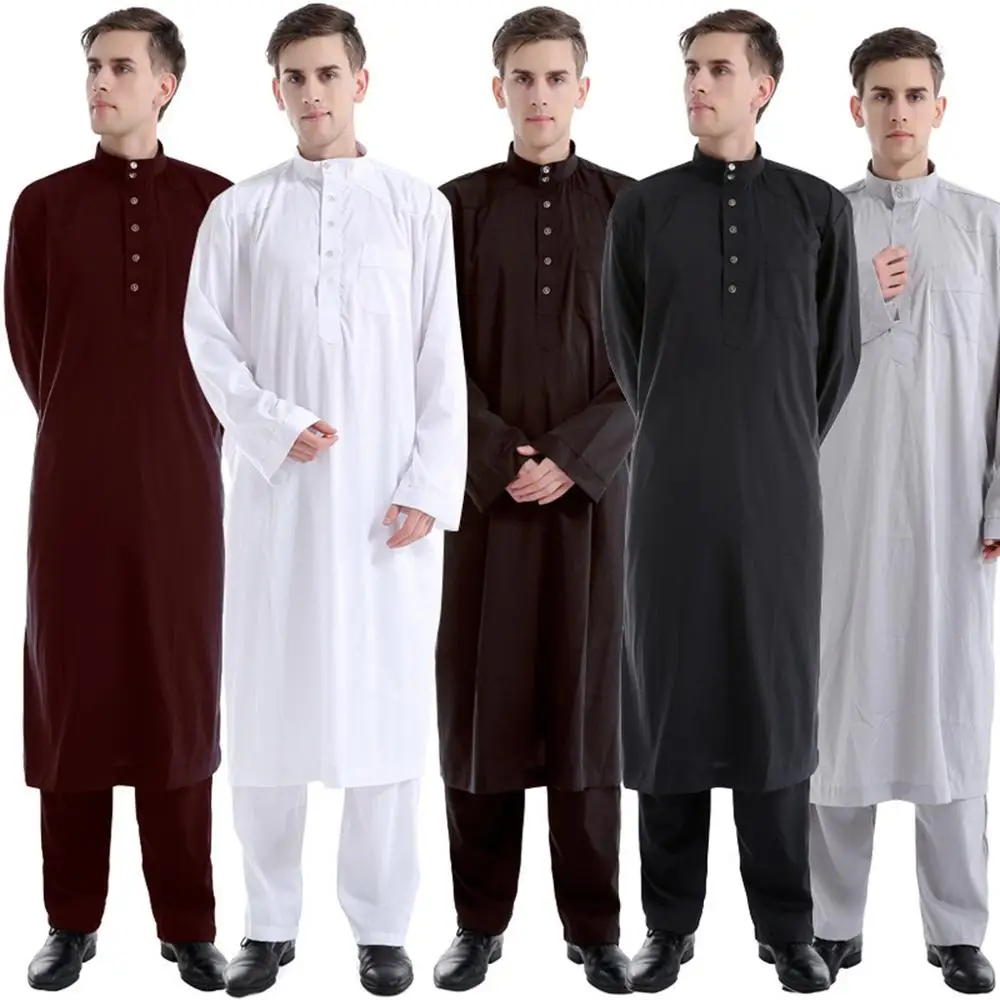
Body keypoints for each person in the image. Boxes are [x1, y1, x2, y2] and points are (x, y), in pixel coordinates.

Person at [182, 4, 467, 996]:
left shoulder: (416, 208)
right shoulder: (239, 212)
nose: (312, 93)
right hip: (279, 503)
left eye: (327, 74)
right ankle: (266, 924)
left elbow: (441, 358)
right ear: (276, 91)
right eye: (294, 78)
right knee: (267, 712)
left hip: (386, 511)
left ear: (361, 82)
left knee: (384, 710)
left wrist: (429, 483)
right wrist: (270, 423)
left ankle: (382, 927)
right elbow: (207, 342)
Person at [601, 8, 861, 994]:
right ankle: (667, 928)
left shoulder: (815, 210)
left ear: (763, 86)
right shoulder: (643, 210)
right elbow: (629, 352)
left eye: (717, 69)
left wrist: (775, 438)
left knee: (775, 704)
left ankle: (788, 927)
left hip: (781, 501)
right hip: (670, 497)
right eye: (689, 68)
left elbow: (834, 359)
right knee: (666, 703)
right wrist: (689, 433)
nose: (697, 84)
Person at [3, 7, 231, 992]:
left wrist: (182, 429)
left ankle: (189, 923)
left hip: (185, 488)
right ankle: (69, 919)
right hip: (73, 490)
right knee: (73, 695)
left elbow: (240, 351)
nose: (100, 81)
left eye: (121, 67)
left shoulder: (218, 205)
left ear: (165, 85)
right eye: (92, 66)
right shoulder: (42, 206)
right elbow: (31, 345)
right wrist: (90, 425)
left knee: (178, 693)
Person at [431, 7, 634, 994]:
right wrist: (501, 453)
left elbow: (658, 357)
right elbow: (428, 356)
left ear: (583, 89)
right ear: (497, 89)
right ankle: (478, 922)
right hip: (487, 503)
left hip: (594, 504)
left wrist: (572, 456)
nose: (540, 95)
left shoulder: (632, 208)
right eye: (523, 78)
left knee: (589, 709)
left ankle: (596, 926)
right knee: (483, 704)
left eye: (557, 78)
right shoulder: (453, 209)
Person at [808, 27, 1000, 996]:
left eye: (913, 95)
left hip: (952, 513)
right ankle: (829, 922)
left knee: (949, 712)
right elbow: (786, 369)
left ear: (940, 107)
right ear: (856, 108)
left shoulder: (984, 228)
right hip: (838, 509)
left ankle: (957, 928)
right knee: (837, 709)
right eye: (879, 95)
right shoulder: (820, 225)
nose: (896, 112)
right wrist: (857, 305)